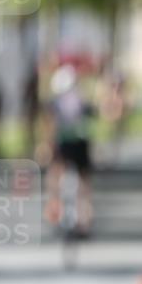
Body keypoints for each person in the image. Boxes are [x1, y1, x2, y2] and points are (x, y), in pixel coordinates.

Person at [43, 65, 94, 237]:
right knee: (84, 183)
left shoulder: (56, 102)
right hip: (80, 143)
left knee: (54, 177)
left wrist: (47, 146)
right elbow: (89, 122)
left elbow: (51, 126)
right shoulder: (81, 99)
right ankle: (85, 221)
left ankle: (55, 214)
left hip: (63, 144)